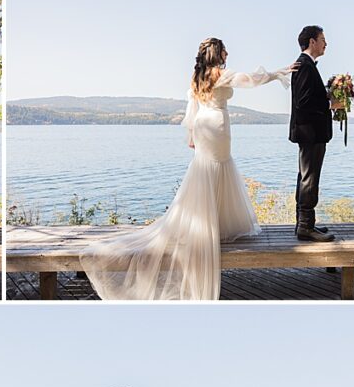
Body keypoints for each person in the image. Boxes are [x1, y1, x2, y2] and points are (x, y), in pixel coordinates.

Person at [80, 39, 296, 300]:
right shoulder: (221, 73)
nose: (228, 52)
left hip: (205, 126)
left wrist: (192, 134)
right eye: (225, 49)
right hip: (217, 125)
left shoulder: (198, 75)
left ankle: (207, 224)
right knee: (218, 167)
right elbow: (249, 79)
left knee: (205, 169)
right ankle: (214, 226)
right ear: (217, 53)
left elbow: (192, 108)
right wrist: (277, 73)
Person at [290, 25, 343, 242]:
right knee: (309, 179)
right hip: (310, 132)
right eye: (322, 39)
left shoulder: (306, 65)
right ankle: (305, 227)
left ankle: (305, 224)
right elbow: (304, 102)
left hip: (310, 132)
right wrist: (331, 103)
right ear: (312, 41)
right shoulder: (304, 65)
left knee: (306, 177)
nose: (325, 43)